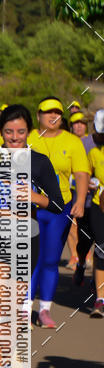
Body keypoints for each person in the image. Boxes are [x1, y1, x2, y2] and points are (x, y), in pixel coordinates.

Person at [0, 105, 63, 368]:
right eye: (9, 131)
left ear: (29, 132)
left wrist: (34, 196)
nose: (14, 137)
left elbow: (58, 204)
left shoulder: (40, 162)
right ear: (0, 132)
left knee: (12, 307)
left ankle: (8, 363)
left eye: (20, 131)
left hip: (25, 236)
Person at [28, 97, 90, 328]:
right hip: (30, 208)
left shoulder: (73, 142)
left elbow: (82, 173)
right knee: (30, 259)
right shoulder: (28, 137)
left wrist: (81, 200)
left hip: (58, 208)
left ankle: (44, 310)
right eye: (47, 112)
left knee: (51, 260)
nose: (53, 116)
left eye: (57, 112)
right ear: (38, 116)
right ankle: (24, 310)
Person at [67, 112, 95, 270]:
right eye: (75, 123)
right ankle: (74, 256)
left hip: (88, 191)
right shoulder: (67, 141)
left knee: (87, 225)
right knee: (71, 225)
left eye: (82, 123)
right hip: (69, 189)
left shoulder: (91, 142)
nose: (79, 126)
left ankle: (87, 255)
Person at [86, 109, 104, 316]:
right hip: (100, 205)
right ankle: (100, 299)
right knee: (101, 250)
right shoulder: (93, 153)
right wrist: (92, 184)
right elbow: (82, 177)